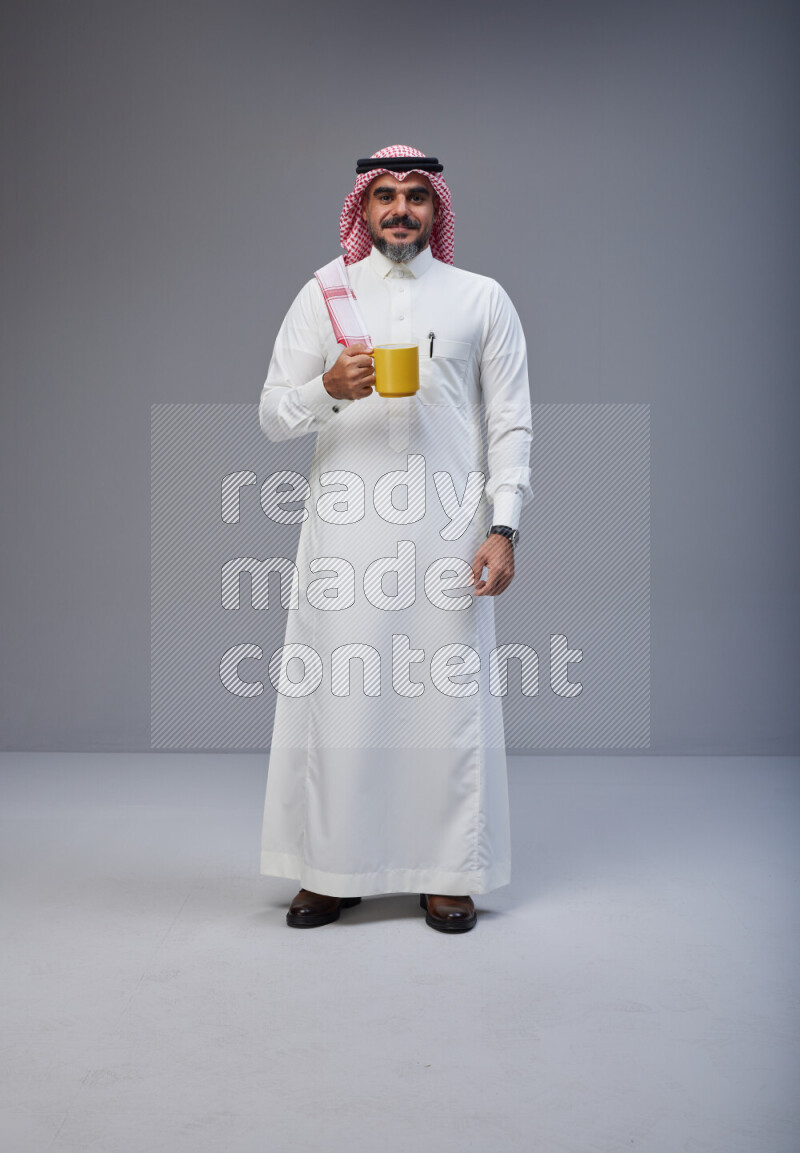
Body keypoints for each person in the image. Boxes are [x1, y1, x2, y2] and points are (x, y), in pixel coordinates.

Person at [257, 145, 532, 933]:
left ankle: (449, 874)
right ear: (365, 208)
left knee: (446, 703)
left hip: (449, 536)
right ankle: (330, 870)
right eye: (386, 195)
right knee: (341, 701)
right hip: (347, 539)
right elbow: (272, 413)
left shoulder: (481, 298)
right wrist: (326, 389)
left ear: (437, 209)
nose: (401, 209)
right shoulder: (325, 294)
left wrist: (504, 526)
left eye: (417, 195)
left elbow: (511, 423)